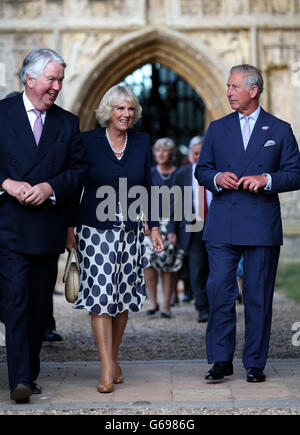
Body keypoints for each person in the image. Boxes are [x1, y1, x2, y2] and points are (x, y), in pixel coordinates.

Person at [195, 64, 300, 383]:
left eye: (234, 87)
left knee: (258, 296)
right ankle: (220, 360)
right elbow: (202, 170)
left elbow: (296, 173)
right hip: (223, 224)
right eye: (228, 86)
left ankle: (255, 362)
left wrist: (266, 178)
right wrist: (215, 177)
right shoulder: (216, 128)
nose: (228, 92)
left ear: (253, 90)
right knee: (219, 291)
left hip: (261, 226)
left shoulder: (279, 130)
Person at [0, 48, 86, 403]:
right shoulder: (1, 114)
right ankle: (20, 378)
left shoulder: (67, 122)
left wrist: (50, 187)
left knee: (37, 307)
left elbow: (79, 171)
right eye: (51, 79)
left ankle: (29, 372)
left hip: (47, 228)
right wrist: (7, 183)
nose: (57, 86)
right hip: (7, 226)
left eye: (61, 80)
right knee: (15, 301)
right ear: (29, 79)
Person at [66, 85, 164, 394]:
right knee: (100, 297)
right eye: (120, 108)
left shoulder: (141, 141)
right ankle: (107, 365)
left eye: (131, 109)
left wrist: (155, 226)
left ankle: (113, 357)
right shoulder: (87, 141)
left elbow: (147, 186)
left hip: (131, 230)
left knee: (121, 297)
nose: (126, 114)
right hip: (94, 231)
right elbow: (74, 184)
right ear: (108, 111)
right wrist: (68, 226)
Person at [168, 136, 210, 322]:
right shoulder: (182, 175)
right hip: (192, 229)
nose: (198, 157)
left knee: (217, 270)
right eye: (195, 153)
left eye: (202, 153)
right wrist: (172, 230)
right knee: (197, 270)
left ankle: (217, 306)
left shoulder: (218, 172)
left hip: (215, 227)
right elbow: (174, 204)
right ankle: (202, 309)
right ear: (191, 154)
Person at [144, 138, 183, 319]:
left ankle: (166, 305)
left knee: (169, 264)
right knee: (149, 263)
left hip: (172, 223)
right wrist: (145, 220)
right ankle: (153, 302)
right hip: (151, 223)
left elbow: (183, 202)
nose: (161, 154)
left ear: (171, 153)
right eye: (158, 150)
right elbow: (142, 197)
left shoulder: (180, 174)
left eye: (165, 150)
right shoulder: (150, 173)